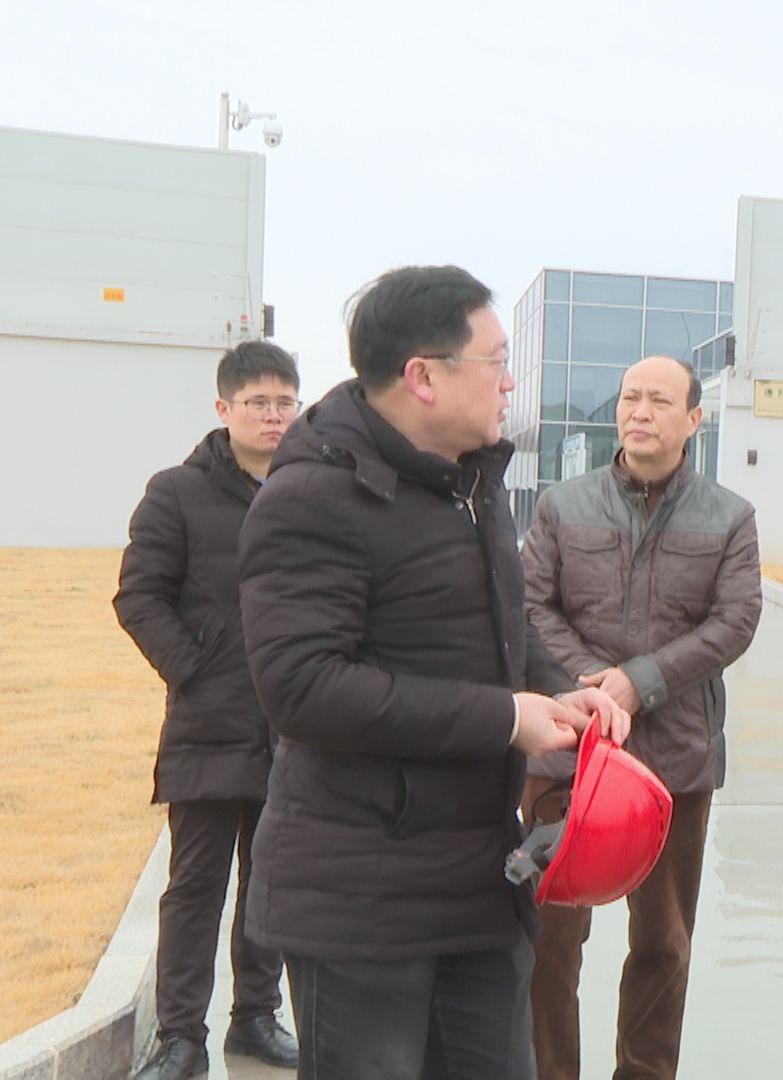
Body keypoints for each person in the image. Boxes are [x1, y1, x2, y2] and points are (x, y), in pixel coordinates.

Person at [236, 265, 629, 1080]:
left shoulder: (470, 484)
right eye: (496, 361)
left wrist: (564, 688)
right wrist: (504, 719)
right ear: (423, 376)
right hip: (359, 900)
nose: (510, 382)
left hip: (477, 881)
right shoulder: (313, 498)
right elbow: (304, 690)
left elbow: (499, 625)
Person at [518, 354, 762, 1079]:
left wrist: (640, 682)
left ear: (693, 419)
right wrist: (593, 686)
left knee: (663, 942)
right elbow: (531, 606)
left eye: (659, 400)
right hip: (566, 750)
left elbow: (735, 621)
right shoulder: (562, 505)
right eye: (630, 398)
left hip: (675, 759)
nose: (640, 412)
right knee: (549, 940)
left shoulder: (730, 516)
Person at [115, 341, 303, 1079]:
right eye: (257, 403)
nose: (273, 416)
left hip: (296, 727)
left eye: (285, 402)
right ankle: (180, 1037)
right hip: (207, 725)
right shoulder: (175, 493)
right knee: (195, 887)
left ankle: (255, 1017)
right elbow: (139, 596)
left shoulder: (312, 489)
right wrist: (195, 669)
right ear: (224, 408)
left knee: (272, 882)